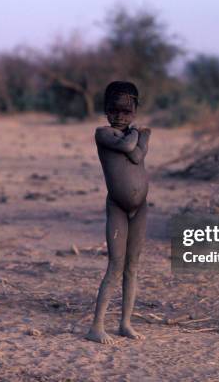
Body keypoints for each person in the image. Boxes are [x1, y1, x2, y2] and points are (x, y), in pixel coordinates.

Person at [86, 81, 151, 344]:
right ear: (105, 110)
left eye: (127, 111)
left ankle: (125, 322)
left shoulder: (136, 133)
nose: (120, 116)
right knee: (115, 265)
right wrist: (137, 133)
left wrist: (136, 136)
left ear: (135, 109)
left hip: (140, 207)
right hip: (117, 206)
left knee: (132, 267)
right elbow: (129, 149)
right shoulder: (103, 133)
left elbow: (137, 157)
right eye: (115, 111)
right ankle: (97, 325)